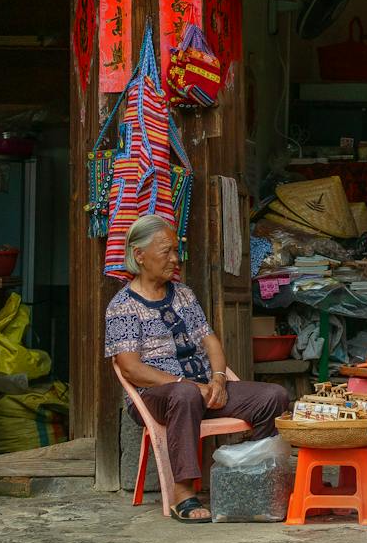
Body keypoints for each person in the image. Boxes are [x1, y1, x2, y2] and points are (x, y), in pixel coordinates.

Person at [106, 213, 290, 522]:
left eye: (175, 250)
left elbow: (211, 343)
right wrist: (188, 383)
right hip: (156, 398)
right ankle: (183, 495)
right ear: (139, 255)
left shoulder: (184, 295)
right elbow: (131, 369)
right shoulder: (122, 305)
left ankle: (252, 478)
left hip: (203, 391)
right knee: (184, 394)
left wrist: (218, 379)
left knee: (274, 396)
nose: (175, 259)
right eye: (166, 251)